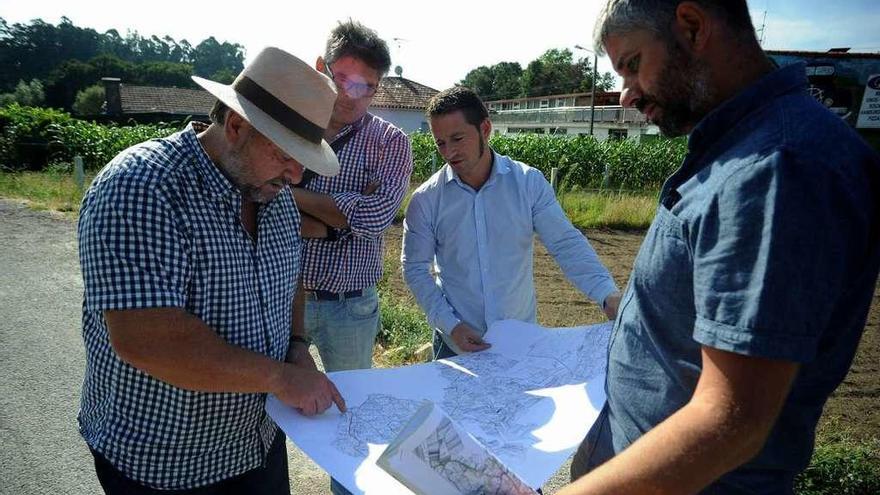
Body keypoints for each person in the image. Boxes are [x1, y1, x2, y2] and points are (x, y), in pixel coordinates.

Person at [561, 1, 880, 494]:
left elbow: (731, 420)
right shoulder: (739, 146)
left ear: (691, 27)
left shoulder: (777, 169)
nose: (626, 95)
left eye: (632, 65)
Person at [77, 47, 346, 495]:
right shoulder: (141, 188)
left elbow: (289, 277)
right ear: (237, 126)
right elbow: (147, 339)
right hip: (164, 464)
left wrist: (297, 345)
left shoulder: (272, 194)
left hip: (257, 444)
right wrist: (280, 377)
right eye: (286, 154)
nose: (297, 176)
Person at [402, 86, 620, 359]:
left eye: (457, 138)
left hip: (520, 343)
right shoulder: (426, 200)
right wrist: (451, 325)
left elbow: (565, 243)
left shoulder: (528, 183)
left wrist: (606, 294)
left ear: (485, 129)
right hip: (455, 347)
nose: (449, 152)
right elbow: (415, 269)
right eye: (440, 143)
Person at [292, 20, 413, 372]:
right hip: (279, 296)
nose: (350, 94)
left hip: (350, 306)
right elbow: (258, 207)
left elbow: (375, 218)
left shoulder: (390, 142)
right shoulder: (285, 128)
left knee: (351, 408)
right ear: (320, 67)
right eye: (342, 79)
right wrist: (344, 215)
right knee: (275, 403)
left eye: (366, 87)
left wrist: (290, 192)